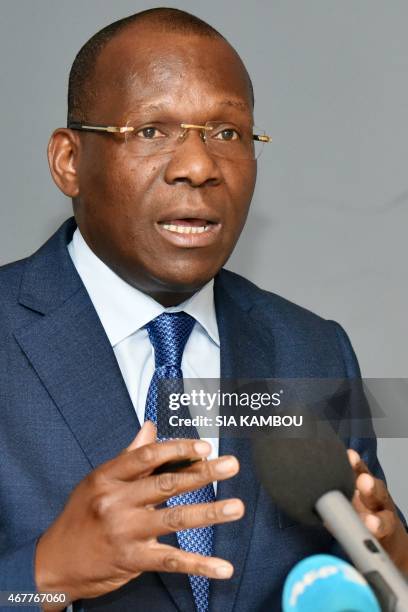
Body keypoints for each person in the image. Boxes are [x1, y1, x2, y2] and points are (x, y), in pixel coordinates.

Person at [0, 7, 407, 612]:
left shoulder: (312, 348)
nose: (199, 167)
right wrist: (45, 575)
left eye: (226, 133)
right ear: (68, 161)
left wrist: (393, 559)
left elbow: (373, 569)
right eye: (150, 131)